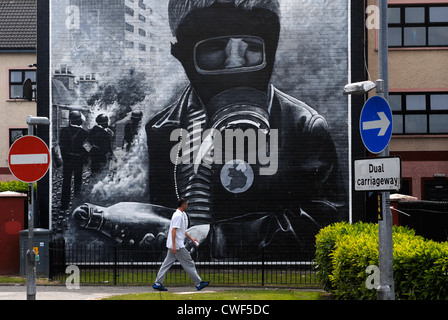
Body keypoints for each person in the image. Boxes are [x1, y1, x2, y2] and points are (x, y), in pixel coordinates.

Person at [153, 198, 210, 291]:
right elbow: (173, 230)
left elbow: (181, 230)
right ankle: (198, 283)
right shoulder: (178, 216)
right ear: (183, 205)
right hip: (178, 246)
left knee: (166, 264)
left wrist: (191, 238)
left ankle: (157, 283)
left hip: (174, 245)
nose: (187, 206)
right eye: (186, 204)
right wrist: (174, 245)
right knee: (189, 263)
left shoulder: (178, 214)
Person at [59, 110, 88, 211]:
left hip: (67, 161)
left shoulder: (63, 131)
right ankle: (76, 204)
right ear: (79, 120)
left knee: (66, 182)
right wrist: (84, 158)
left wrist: (65, 157)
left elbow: (61, 146)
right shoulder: (84, 133)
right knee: (78, 182)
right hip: (78, 161)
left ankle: (64, 205)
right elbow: (87, 149)